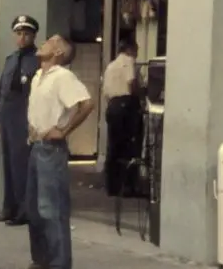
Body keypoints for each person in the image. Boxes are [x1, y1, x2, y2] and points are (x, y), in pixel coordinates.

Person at [26, 34, 95, 269]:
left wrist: (64, 130)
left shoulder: (63, 76)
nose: (44, 42)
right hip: (35, 146)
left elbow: (86, 104)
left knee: (51, 209)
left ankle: (59, 264)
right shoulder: (38, 76)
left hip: (51, 150)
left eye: (50, 41)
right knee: (34, 209)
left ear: (58, 53)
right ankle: (41, 260)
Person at [0, 15, 41, 226]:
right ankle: (8, 208)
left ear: (33, 36)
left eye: (26, 34)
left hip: (24, 115)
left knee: (22, 166)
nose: (22, 38)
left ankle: (24, 211)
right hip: (8, 114)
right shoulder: (10, 59)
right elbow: (1, 90)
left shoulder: (38, 59)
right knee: (8, 164)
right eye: (19, 34)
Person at [101, 38, 143, 197]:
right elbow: (131, 83)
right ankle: (129, 186)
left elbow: (106, 91)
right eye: (136, 49)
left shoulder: (111, 65)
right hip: (126, 105)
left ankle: (112, 186)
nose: (137, 53)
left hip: (112, 106)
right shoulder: (128, 61)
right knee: (130, 145)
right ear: (130, 49)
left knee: (114, 146)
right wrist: (142, 94)